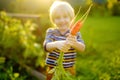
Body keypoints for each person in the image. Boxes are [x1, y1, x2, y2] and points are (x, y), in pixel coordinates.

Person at [43, 1, 85, 80]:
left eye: (65, 17)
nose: (62, 20)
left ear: (71, 18)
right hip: (53, 69)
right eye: (58, 18)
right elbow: (46, 46)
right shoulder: (51, 32)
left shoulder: (75, 34)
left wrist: (75, 43)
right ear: (53, 20)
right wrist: (56, 44)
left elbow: (82, 48)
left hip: (69, 69)